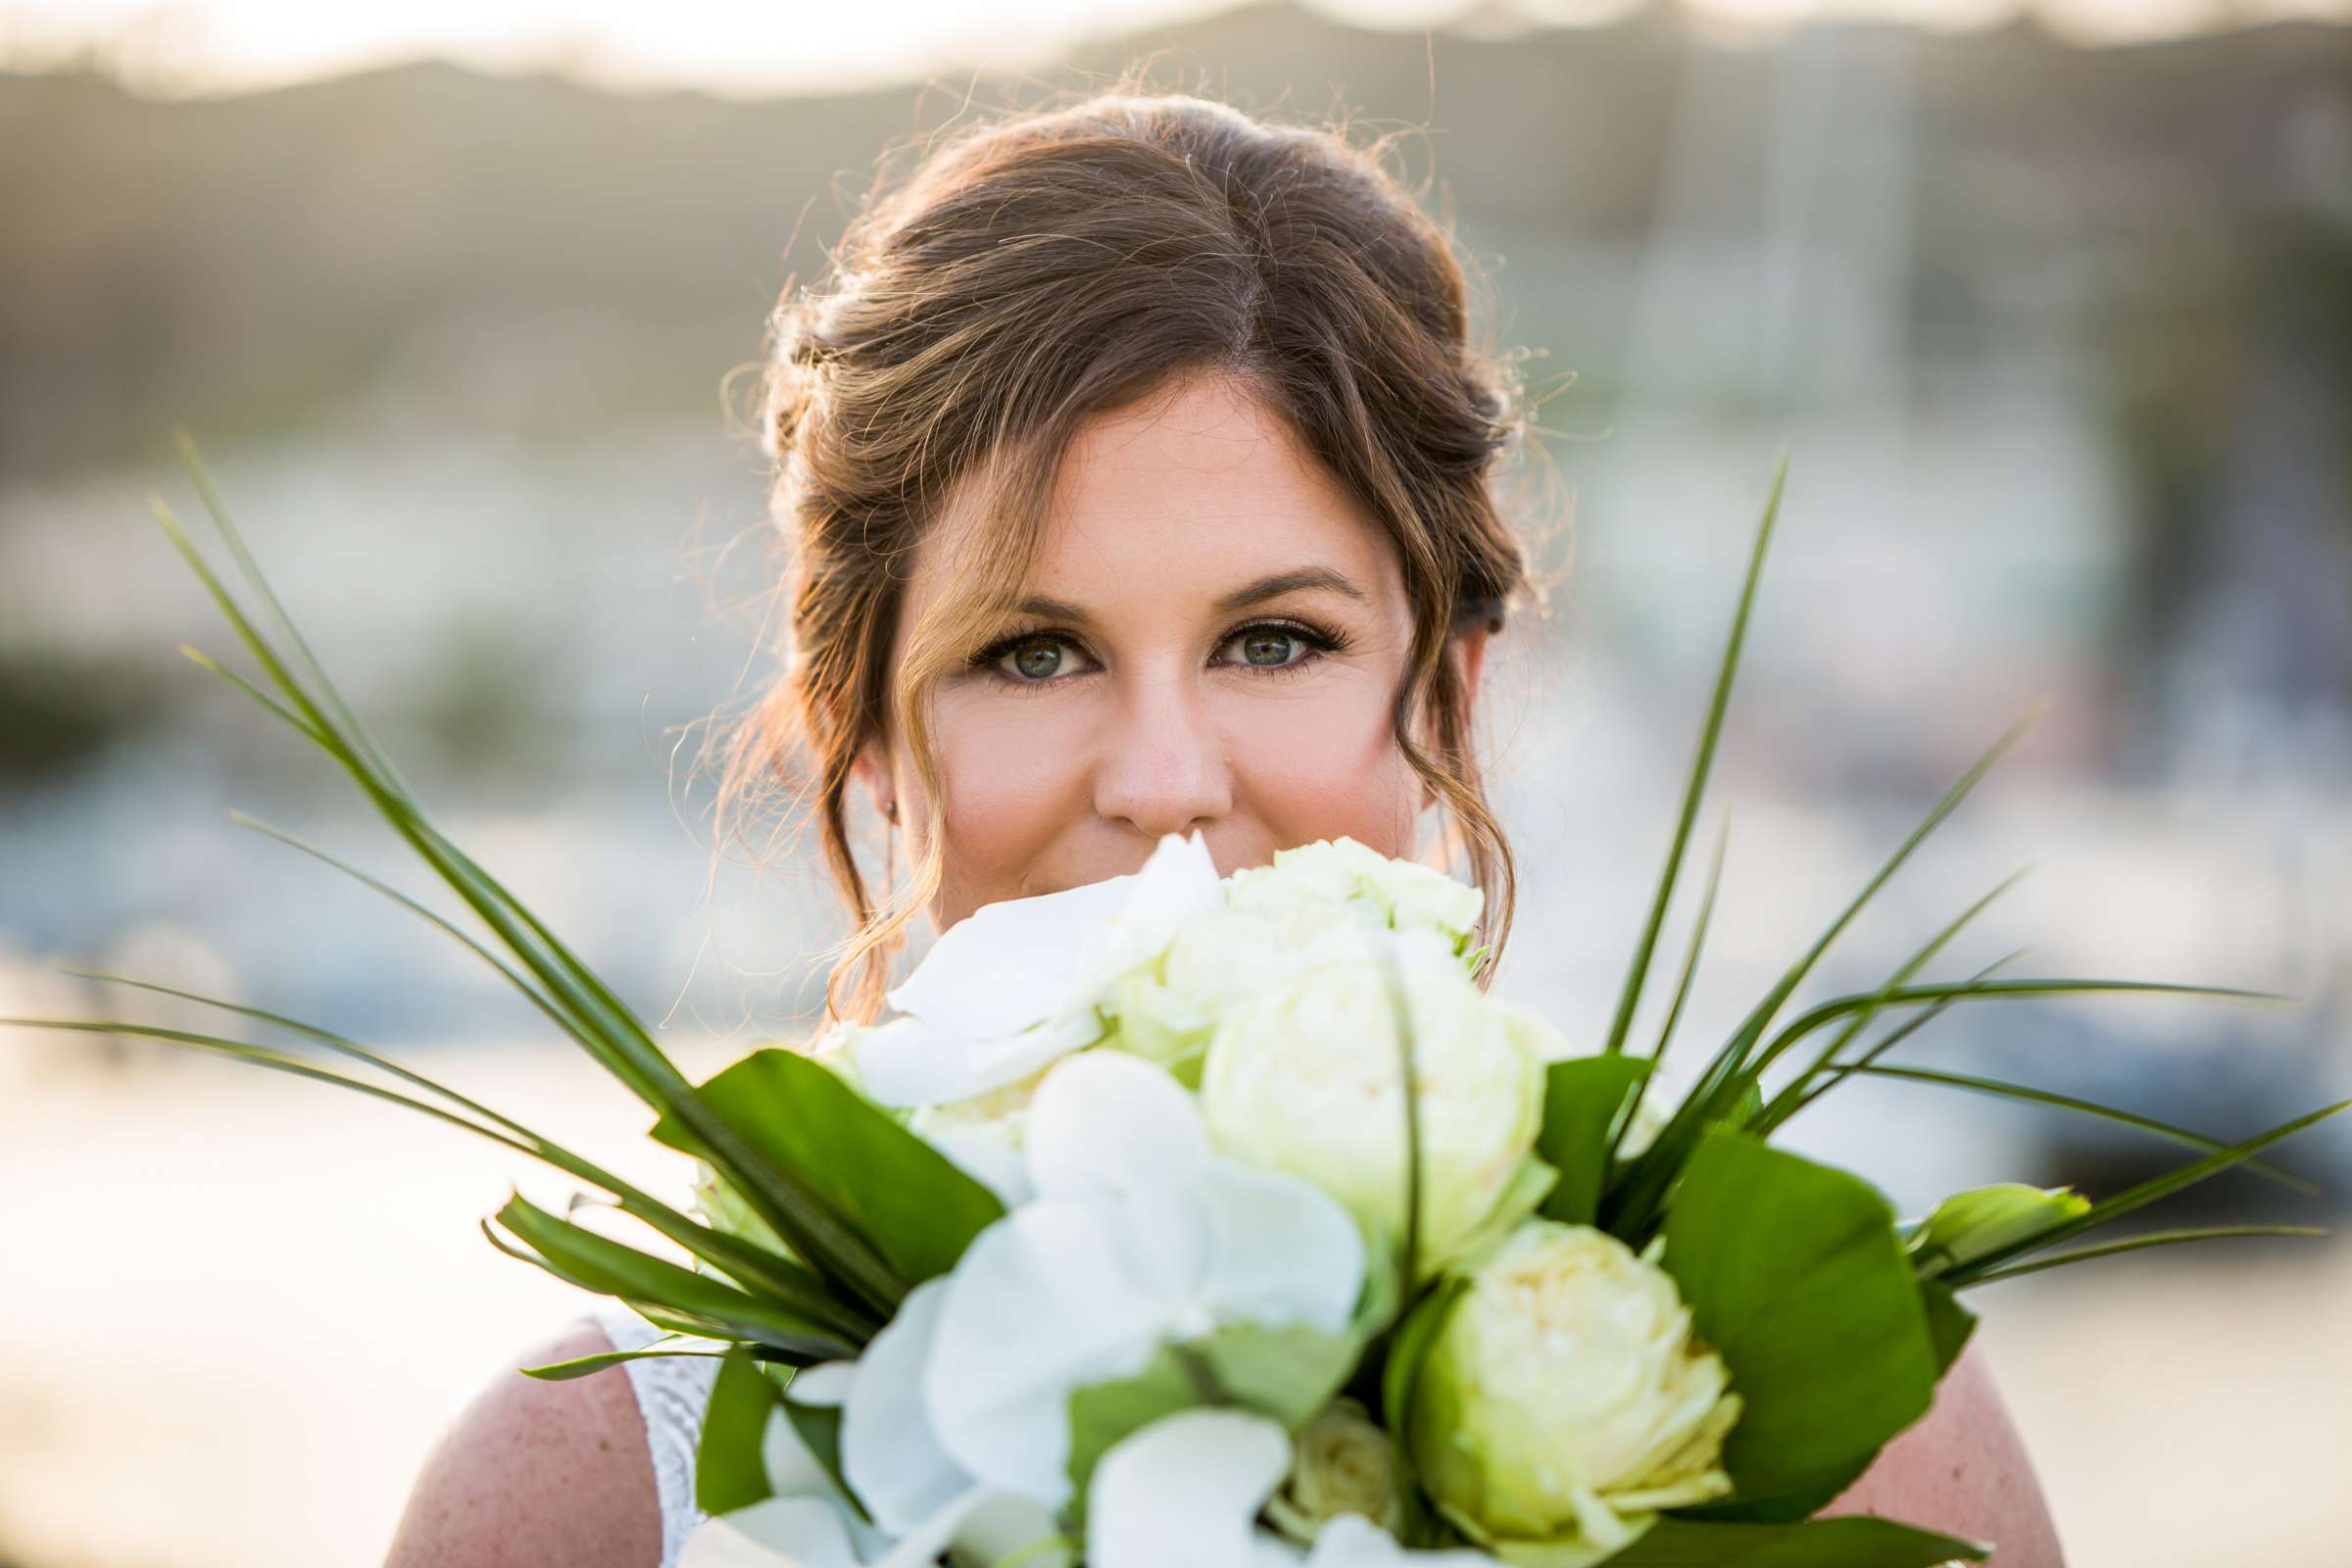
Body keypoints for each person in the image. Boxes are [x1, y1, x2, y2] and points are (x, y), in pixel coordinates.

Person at [382, 79, 2065, 1568]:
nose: (1167, 778)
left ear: (1455, 700)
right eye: (1031, 654)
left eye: (1278, 642)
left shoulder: (1827, 1415)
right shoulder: (588, 1488)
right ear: (863, 735)